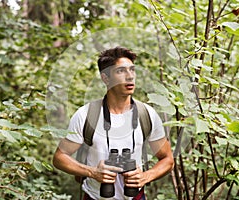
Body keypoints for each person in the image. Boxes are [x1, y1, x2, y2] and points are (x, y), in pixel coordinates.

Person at [53, 46, 174, 200]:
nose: (130, 76)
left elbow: (167, 159)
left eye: (132, 70)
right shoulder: (86, 115)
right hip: (95, 197)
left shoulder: (147, 114)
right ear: (105, 78)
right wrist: (93, 173)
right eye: (121, 71)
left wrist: (145, 176)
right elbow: (59, 157)